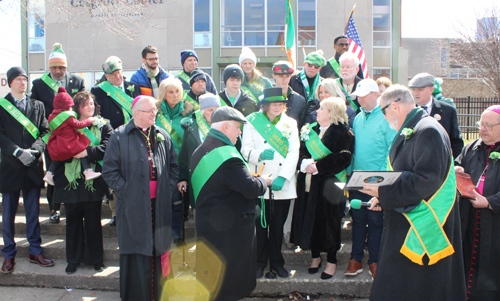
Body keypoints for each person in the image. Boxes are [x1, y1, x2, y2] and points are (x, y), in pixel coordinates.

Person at [361, 84, 466, 300]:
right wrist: (384, 198)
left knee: (419, 288)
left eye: (383, 110)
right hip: (406, 219)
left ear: (395, 106)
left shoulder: (427, 130)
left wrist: (384, 192)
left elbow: (426, 181)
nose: (383, 117)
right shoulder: (415, 127)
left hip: (421, 226)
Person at [102, 95, 178, 300]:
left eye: (155, 111)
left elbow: (173, 166)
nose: (155, 114)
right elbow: (109, 171)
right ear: (137, 113)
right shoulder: (119, 136)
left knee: (159, 247)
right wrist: (126, 191)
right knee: (137, 247)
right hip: (133, 205)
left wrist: (168, 189)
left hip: (159, 204)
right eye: (150, 111)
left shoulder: (162, 134)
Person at [192, 106, 271, 301]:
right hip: (230, 230)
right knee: (230, 284)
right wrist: (264, 181)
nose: (240, 132)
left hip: (208, 225)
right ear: (226, 127)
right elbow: (251, 188)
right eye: (238, 127)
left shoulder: (200, 150)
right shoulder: (227, 157)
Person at [292, 97, 354, 280]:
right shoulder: (311, 130)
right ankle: (315, 257)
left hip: (330, 186)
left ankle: (332, 261)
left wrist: (318, 166)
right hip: (308, 183)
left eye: (321, 109)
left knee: (329, 223)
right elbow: (300, 150)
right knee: (311, 219)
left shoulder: (344, 133)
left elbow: (344, 158)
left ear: (332, 112)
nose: (317, 111)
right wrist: (304, 162)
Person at [241, 87, 300, 279]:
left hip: (281, 184)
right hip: (259, 180)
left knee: (277, 227)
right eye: (274, 104)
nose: (278, 107)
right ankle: (259, 262)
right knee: (260, 226)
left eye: (281, 104)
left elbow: (293, 152)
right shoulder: (251, 121)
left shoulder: (290, 123)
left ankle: (276, 263)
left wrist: (284, 176)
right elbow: (245, 150)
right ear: (265, 105)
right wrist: (259, 155)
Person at [52, 91, 112, 274]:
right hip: (70, 179)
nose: (90, 107)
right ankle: (73, 259)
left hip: (92, 180)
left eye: (92, 104)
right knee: (73, 222)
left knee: (93, 221)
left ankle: (95, 259)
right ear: (77, 107)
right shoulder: (66, 123)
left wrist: (88, 152)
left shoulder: (104, 124)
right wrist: (69, 152)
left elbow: (108, 148)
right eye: (86, 104)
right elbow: (54, 146)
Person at [0, 67, 53, 273]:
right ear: (10, 82)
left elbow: (46, 132)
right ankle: (9, 254)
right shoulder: (2, 106)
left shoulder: (37, 105)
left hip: (31, 165)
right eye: (19, 80)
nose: (23, 83)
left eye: (25, 79)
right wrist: (16, 151)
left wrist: (34, 150)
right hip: (10, 166)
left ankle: (35, 250)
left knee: (32, 212)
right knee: (8, 213)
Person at [344, 79, 396, 279]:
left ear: (376, 94)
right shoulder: (357, 118)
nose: (360, 98)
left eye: (364, 95)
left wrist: (383, 180)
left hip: (377, 180)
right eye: (358, 95)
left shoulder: (386, 118)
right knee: (357, 219)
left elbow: (391, 151)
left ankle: (374, 261)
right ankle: (355, 259)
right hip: (357, 177)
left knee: (375, 220)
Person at [31, 42, 85, 224]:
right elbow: (35, 109)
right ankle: (54, 208)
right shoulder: (39, 84)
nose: (58, 71)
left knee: (74, 168)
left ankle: (75, 203)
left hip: (73, 136)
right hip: (52, 137)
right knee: (53, 170)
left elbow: (83, 106)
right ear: (49, 67)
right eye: (54, 67)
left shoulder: (77, 81)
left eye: (61, 67)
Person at [455, 105, 500, 300]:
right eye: (481, 124)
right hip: (470, 220)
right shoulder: (470, 147)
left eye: (489, 126)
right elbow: (458, 163)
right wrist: (455, 170)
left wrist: (490, 202)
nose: (483, 129)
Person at [91, 56, 141, 226]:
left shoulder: (132, 88)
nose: (117, 77)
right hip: (113, 138)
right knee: (114, 175)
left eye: (119, 73)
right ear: (106, 76)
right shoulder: (97, 91)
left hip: (135, 136)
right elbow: (97, 114)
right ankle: (115, 212)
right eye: (113, 75)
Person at [155, 77, 195, 240]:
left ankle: (177, 236)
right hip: (158, 164)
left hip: (180, 164)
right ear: (163, 94)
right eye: (170, 92)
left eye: (177, 91)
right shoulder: (156, 112)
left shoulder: (190, 113)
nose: (174, 95)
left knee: (177, 202)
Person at [43, 88, 101, 186]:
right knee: (82, 147)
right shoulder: (67, 116)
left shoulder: (51, 116)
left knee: (57, 158)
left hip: (58, 142)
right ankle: (87, 171)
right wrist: (90, 120)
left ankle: (49, 174)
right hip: (69, 141)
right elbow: (78, 125)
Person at [178, 94, 221, 211]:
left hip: (220, 179)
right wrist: (182, 178)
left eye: (216, 110)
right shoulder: (192, 128)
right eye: (210, 110)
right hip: (199, 178)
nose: (213, 113)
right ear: (202, 112)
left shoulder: (226, 126)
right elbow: (184, 156)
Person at [408, 72, 463, 158]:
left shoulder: (448, 110)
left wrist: (456, 164)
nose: (416, 93)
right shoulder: (408, 111)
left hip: (440, 164)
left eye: (420, 89)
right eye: (413, 89)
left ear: (431, 90)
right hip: (415, 165)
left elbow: (456, 142)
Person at [271, 61, 307, 129]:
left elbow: (301, 125)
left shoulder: (300, 100)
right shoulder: (266, 98)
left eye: (287, 76)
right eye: (281, 76)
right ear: (274, 75)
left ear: (291, 76)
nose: (284, 79)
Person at [289, 51, 326, 115]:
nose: (312, 68)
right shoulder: (292, 79)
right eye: (310, 65)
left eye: (316, 66)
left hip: (315, 117)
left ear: (320, 68)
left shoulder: (324, 83)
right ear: (304, 64)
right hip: (295, 116)